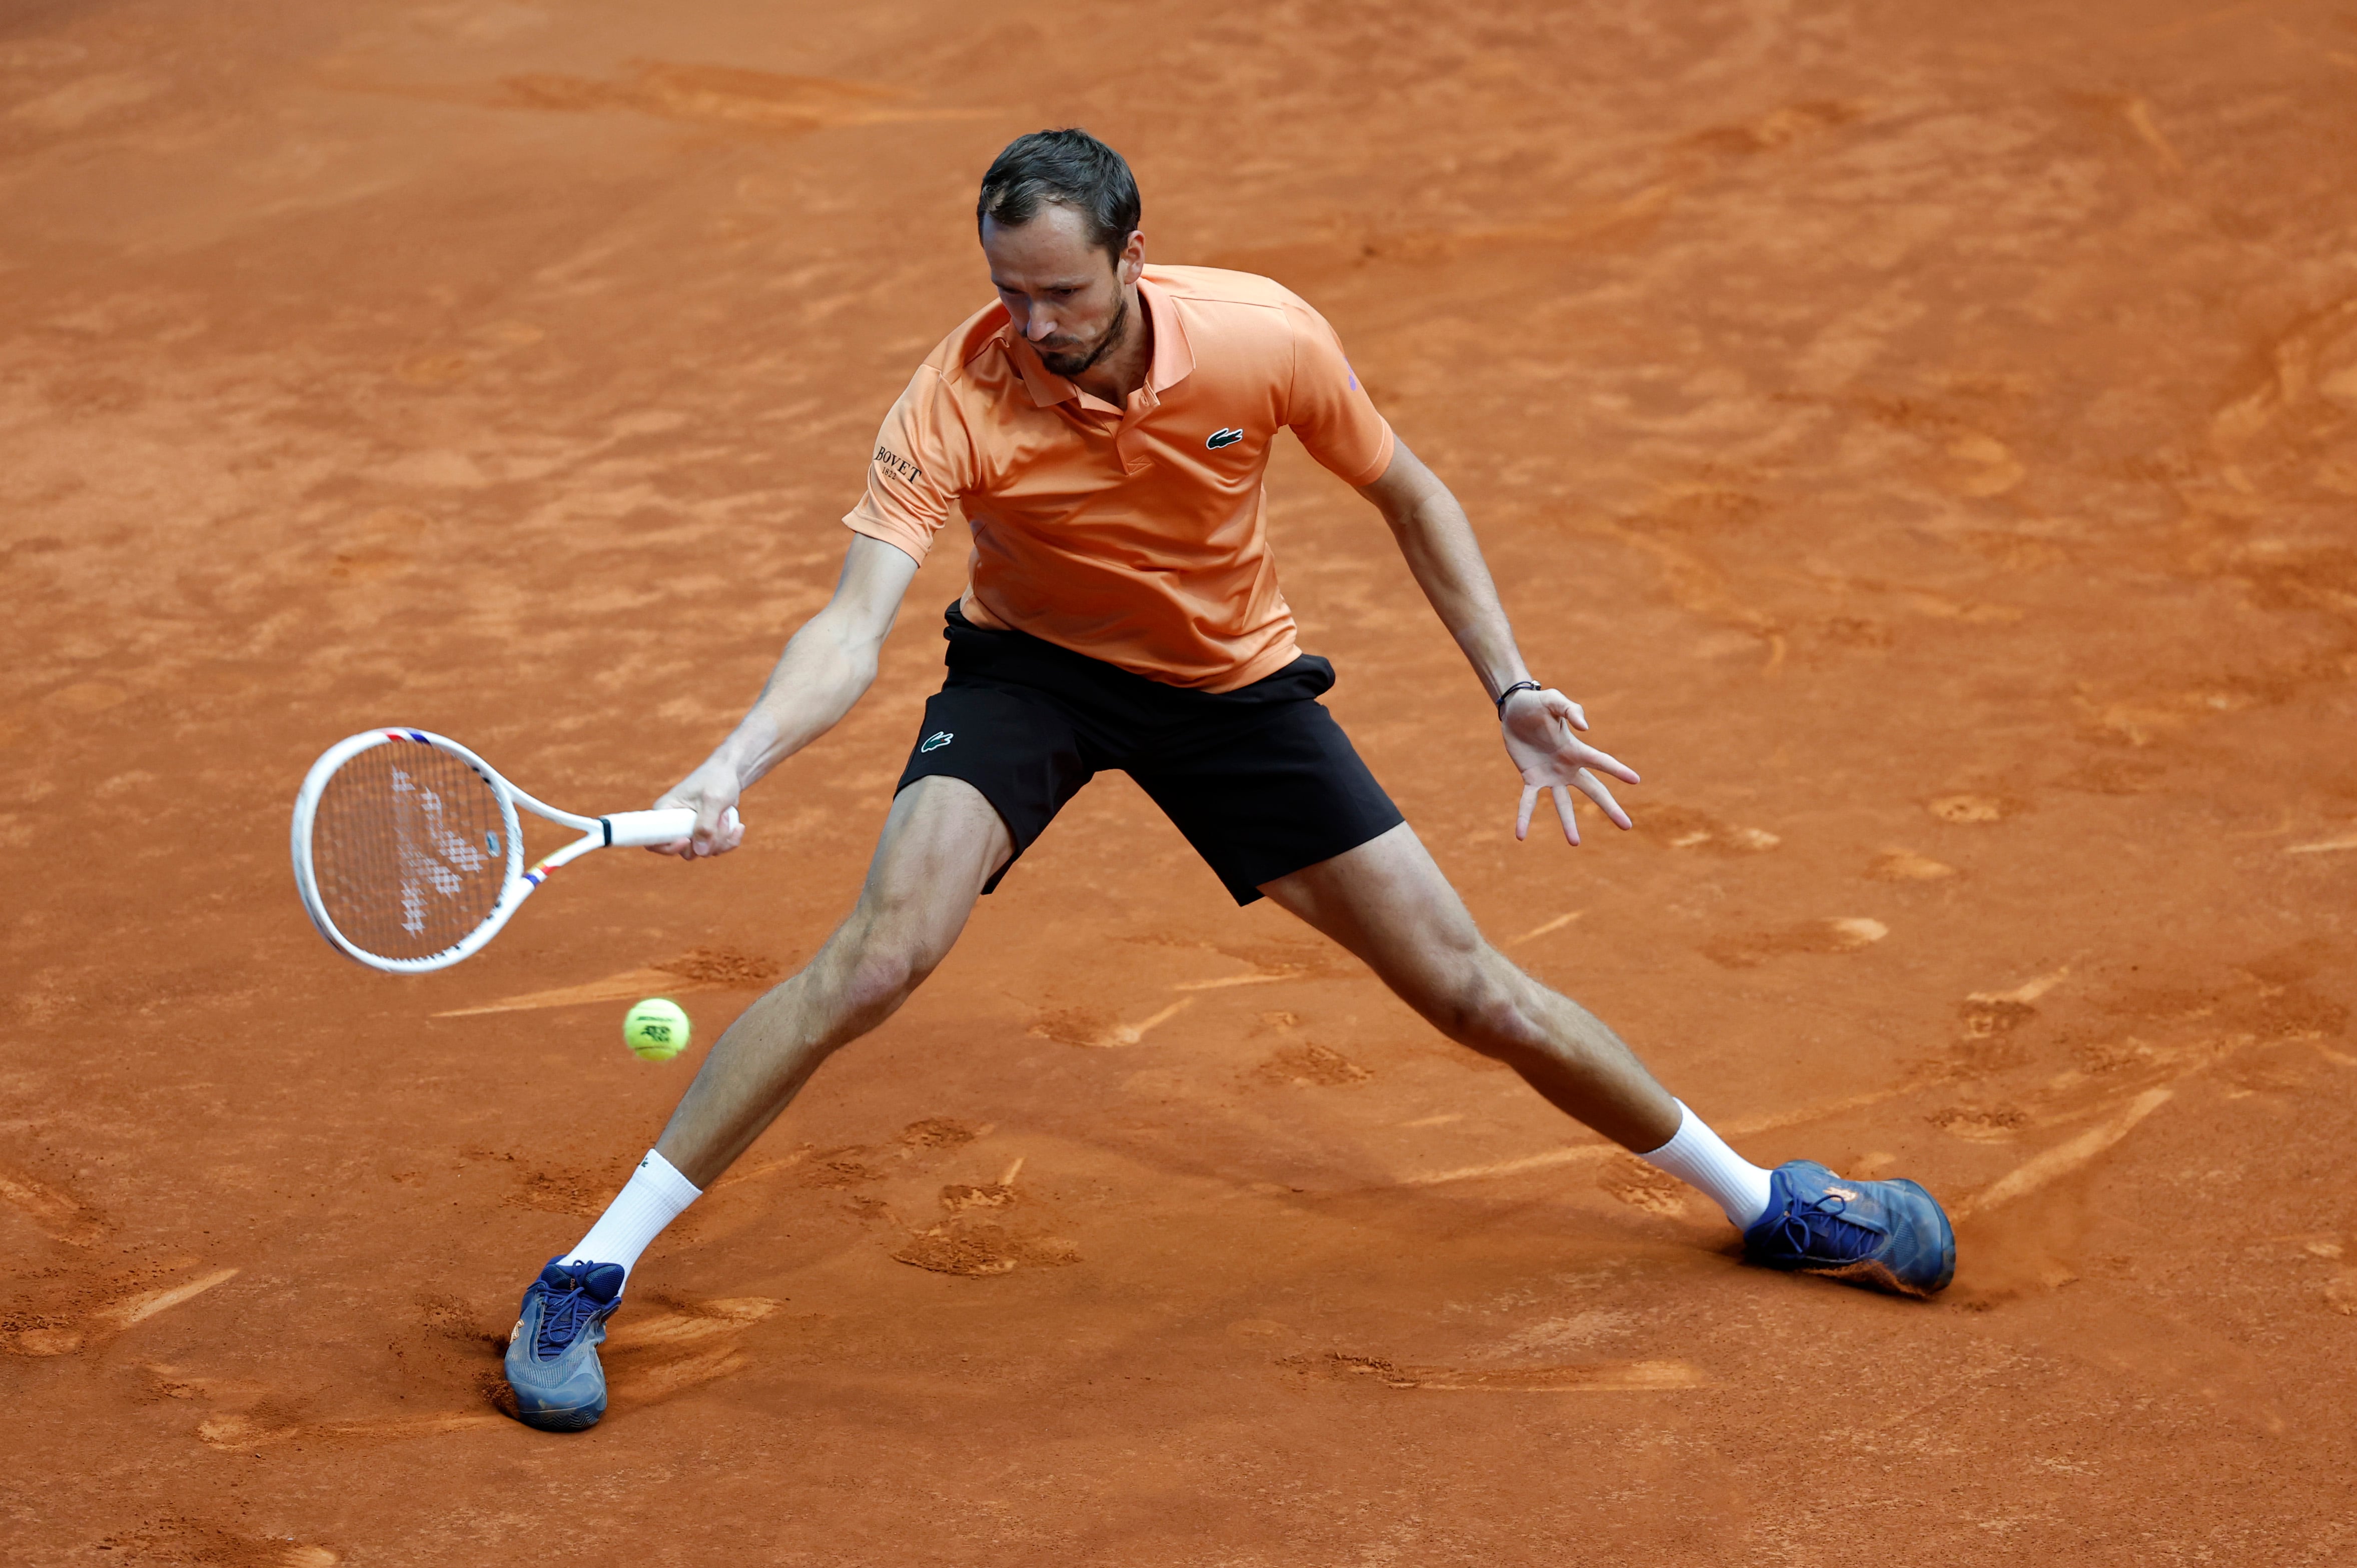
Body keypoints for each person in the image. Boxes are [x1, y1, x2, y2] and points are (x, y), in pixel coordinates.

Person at [501, 129, 1954, 1432]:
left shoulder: (1265, 340)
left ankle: (1765, 1203)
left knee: (1473, 993)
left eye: (1062, 293)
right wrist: (736, 761)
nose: (1032, 326)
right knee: (878, 959)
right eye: (1007, 292)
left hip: (1227, 688)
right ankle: (586, 1273)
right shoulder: (951, 397)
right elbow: (850, 626)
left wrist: (1511, 687)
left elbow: (1411, 494)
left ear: (1135, 257)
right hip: (1030, 677)